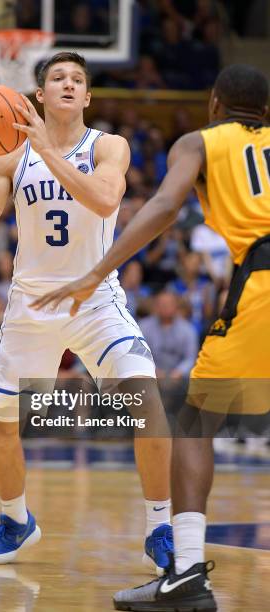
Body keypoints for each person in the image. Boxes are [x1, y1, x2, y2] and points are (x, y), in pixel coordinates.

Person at [32, 63, 270, 611]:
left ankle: (185, 574)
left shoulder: (200, 141)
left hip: (261, 278)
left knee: (194, 424)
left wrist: (96, 272)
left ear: (214, 105)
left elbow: (163, 208)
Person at [0, 52, 172, 570]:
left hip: (94, 298)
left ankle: (160, 526)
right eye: (58, 78)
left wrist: (46, 150)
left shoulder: (108, 146)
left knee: (147, 401)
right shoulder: (12, 158)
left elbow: (103, 200)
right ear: (40, 95)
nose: (69, 85)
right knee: (1, 424)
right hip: (31, 301)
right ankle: (15, 521)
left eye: (78, 79)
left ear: (88, 96)